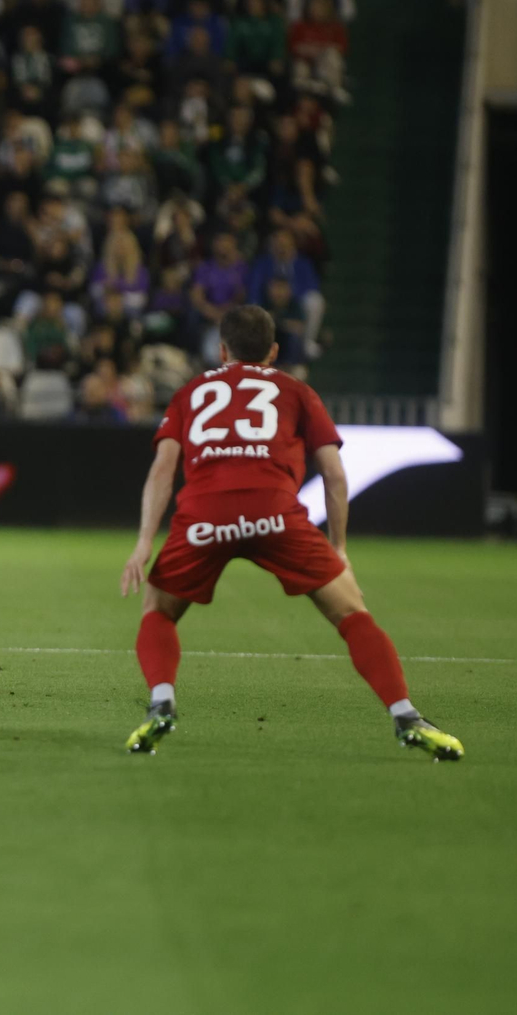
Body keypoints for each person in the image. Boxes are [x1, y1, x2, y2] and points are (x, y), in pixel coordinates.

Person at [119, 305, 464, 761]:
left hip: (205, 516)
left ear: (221, 350)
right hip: (275, 514)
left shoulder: (189, 393)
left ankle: (161, 701)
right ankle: (406, 715)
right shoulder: (297, 390)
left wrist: (144, 542)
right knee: (351, 613)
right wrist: (339, 548)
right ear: (274, 351)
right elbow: (335, 476)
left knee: (158, 611)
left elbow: (162, 470)